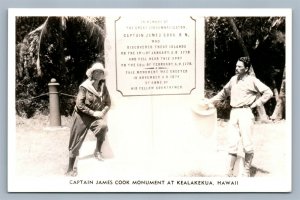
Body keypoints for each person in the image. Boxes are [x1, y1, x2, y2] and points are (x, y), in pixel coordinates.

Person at [208, 56, 273, 177]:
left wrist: (256, 104)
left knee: (247, 143)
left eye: (239, 67)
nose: (236, 68)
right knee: (232, 143)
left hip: (245, 113)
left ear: (246, 69)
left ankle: (246, 171)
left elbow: (268, 92)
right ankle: (230, 172)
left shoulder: (252, 80)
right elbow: (223, 94)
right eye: (236, 66)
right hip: (234, 113)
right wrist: (209, 101)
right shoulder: (233, 79)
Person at [65, 62, 111, 177]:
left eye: (102, 72)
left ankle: (97, 151)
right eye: (98, 72)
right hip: (81, 116)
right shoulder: (84, 86)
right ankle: (70, 169)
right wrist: (93, 112)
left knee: (103, 126)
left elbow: (108, 103)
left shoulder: (103, 88)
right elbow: (79, 105)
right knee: (75, 141)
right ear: (93, 73)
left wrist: (102, 113)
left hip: (95, 117)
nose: (100, 74)